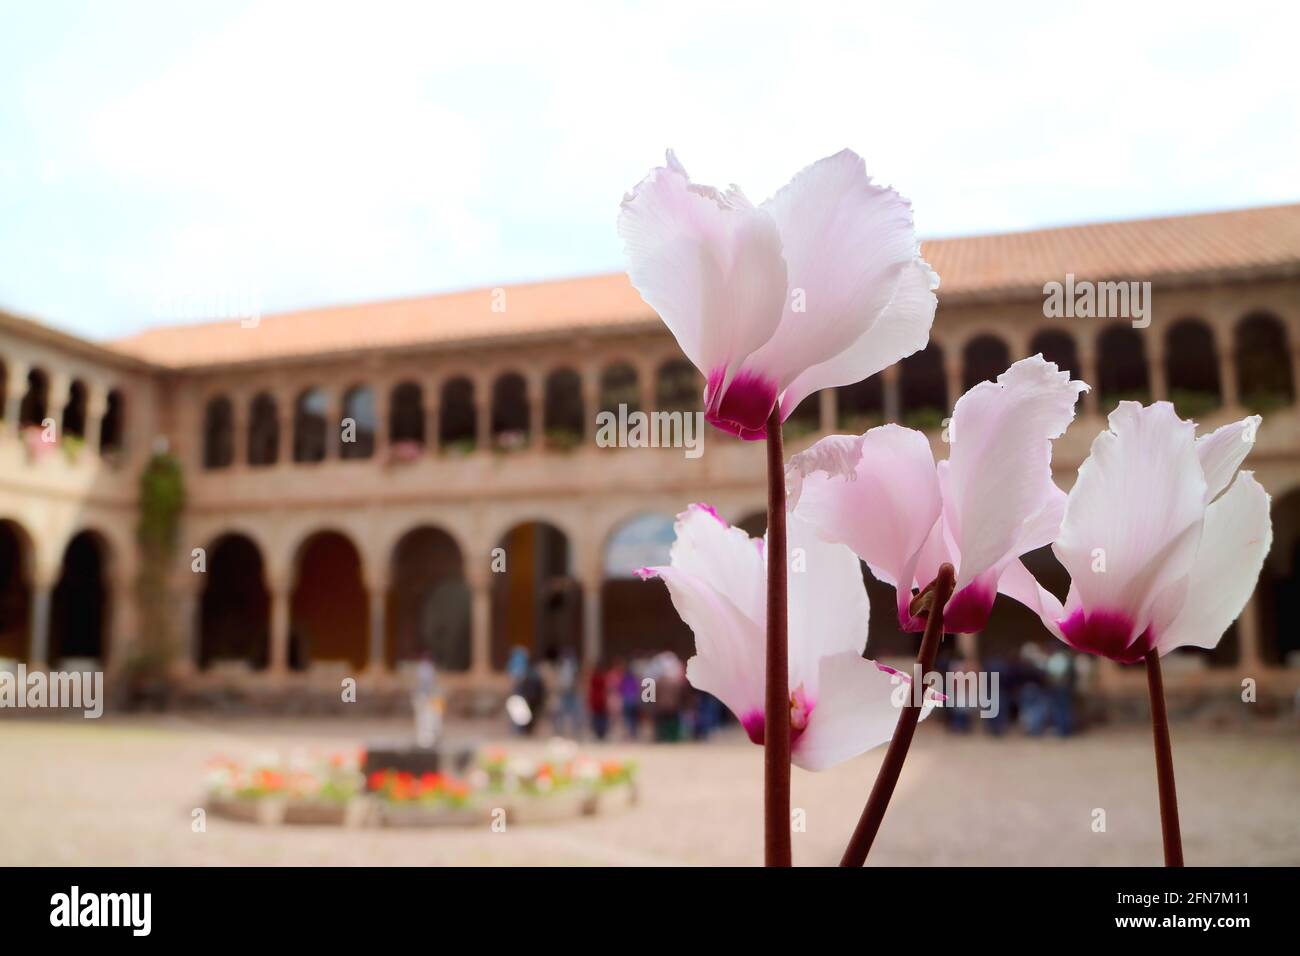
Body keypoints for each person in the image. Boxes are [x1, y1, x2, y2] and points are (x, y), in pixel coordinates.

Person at [617, 658, 641, 740]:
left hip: (627, 700)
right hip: (633, 700)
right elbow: (638, 689)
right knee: (633, 719)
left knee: (627, 718)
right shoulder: (634, 680)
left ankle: (628, 734)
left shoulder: (624, 679)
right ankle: (633, 734)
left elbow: (620, 689)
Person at [587, 661, 611, 740]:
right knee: (601, 717)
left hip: (595, 699)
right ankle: (601, 733)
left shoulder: (594, 677)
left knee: (597, 717)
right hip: (601, 699)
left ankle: (598, 733)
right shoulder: (602, 677)